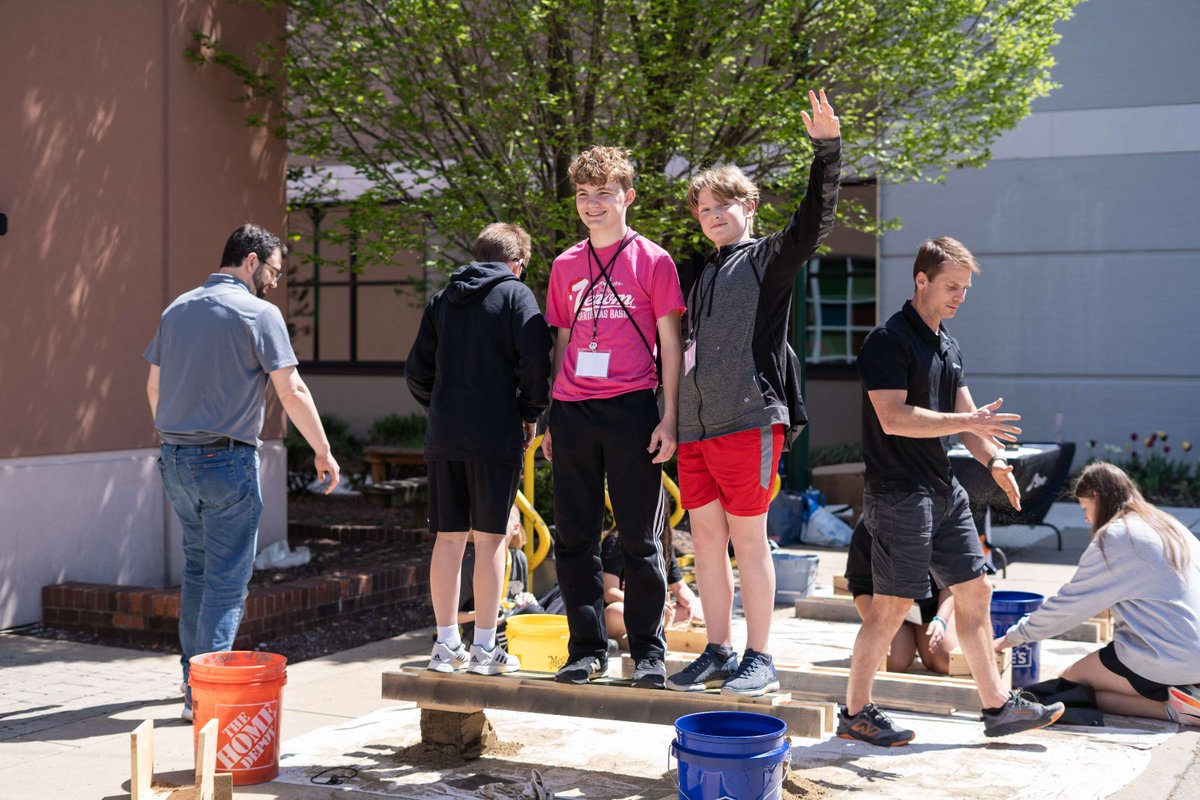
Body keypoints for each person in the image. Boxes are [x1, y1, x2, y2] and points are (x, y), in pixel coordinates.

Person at [840, 236, 1064, 745]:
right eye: (951, 287)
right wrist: (970, 421)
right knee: (892, 606)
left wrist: (996, 460)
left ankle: (997, 707)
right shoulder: (887, 341)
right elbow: (894, 418)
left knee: (977, 590)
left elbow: (970, 424)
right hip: (898, 493)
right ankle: (855, 712)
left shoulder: (947, 343)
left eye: (965, 288)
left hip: (943, 490)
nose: (960, 296)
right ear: (921, 280)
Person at [667, 89, 840, 697]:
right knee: (706, 544)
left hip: (748, 419)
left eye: (723, 205)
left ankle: (759, 656)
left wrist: (828, 151)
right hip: (694, 427)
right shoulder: (700, 270)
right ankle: (718, 650)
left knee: (748, 539)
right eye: (703, 209)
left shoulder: (769, 258)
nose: (712, 216)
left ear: (748, 206)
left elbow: (813, 220)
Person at [145, 223, 341, 721]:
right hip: (225, 460)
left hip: (175, 458)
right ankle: (203, 693)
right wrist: (322, 450)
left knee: (197, 569)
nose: (275, 282)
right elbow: (292, 390)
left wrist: (176, 440)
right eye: (273, 271)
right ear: (251, 261)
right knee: (228, 580)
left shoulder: (177, 308)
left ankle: (192, 675)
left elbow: (153, 387)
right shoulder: (259, 313)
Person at [542, 145, 685, 688]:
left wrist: (668, 417)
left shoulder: (654, 260)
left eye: (604, 194)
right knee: (573, 538)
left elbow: (670, 345)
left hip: (633, 408)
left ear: (627, 197)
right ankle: (586, 648)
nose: (592, 205)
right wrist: (553, 415)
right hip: (575, 410)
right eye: (583, 195)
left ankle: (649, 651)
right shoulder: (564, 265)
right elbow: (561, 341)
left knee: (640, 539)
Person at [406, 223, 551, 676]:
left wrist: (445, 405)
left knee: (447, 539)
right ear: (518, 263)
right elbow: (535, 365)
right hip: (495, 433)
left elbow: (416, 371)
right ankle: (486, 648)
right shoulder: (516, 296)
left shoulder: (443, 300)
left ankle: (446, 645)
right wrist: (529, 414)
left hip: (445, 433)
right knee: (491, 540)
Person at [995, 462, 1200, 726]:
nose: (1086, 518)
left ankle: (1173, 708)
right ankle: (1180, 695)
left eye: (1084, 508)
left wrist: (1011, 638)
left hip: (1169, 657)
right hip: (1188, 653)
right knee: (1092, 681)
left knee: (1068, 684)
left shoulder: (1117, 536)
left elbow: (1069, 605)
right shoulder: (1168, 524)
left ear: (1097, 498)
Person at [845, 519, 958, 674]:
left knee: (948, 662)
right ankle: (909, 640)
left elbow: (952, 583)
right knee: (892, 662)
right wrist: (875, 628)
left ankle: (922, 637)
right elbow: (859, 586)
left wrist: (941, 620)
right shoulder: (869, 522)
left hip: (933, 608)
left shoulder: (940, 516)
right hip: (889, 609)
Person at [601, 526, 702, 644]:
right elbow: (609, 593)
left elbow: (680, 587)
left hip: (656, 612)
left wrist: (692, 604)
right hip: (623, 613)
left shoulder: (663, 541)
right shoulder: (617, 540)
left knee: (698, 607)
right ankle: (651, 637)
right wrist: (648, 604)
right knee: (616, 610)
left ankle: (642, 637)